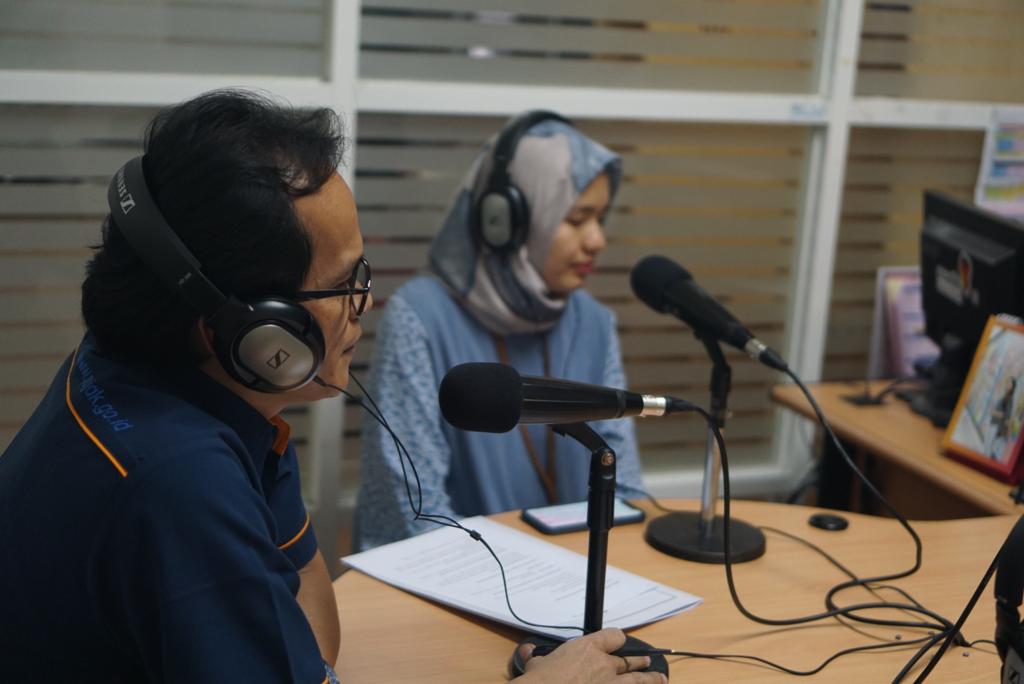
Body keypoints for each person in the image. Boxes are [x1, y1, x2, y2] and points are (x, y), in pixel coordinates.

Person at [0, 90, 665, 684]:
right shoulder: (181, 486)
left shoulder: (139, 375)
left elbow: (312, 634)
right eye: (344, 284)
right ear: (255, 331)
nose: (365, 303)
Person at [355, 111, 646, 550]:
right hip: (454, 576)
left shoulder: (593, 321)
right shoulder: (420, 318)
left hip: (581, 575)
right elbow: (412, 513)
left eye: (599, 219)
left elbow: (626, 494)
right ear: (504, 222)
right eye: (576, 219)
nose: (597, 240)